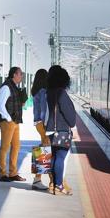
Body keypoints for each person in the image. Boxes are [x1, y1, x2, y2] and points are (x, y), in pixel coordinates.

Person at [45, 65, 75, 196]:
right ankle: (59, 185)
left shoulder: (49, 92)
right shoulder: (62, 93)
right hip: (61, 130)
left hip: (51, 130)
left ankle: (53, 184)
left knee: (54, 156)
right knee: (60, 157)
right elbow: (71, 119)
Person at [0, 67, 27, 182]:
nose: (21, 76)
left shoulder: (14, 87)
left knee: (16, 146)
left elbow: (17, 103)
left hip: (15, 121)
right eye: (20, 74)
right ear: (14, 74)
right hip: (7, 121)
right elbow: (0, 105)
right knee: (5, 147)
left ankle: (13, 173)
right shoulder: (6, 87)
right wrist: (9, 119)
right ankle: (3, 174)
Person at [30, 69, 50, 190]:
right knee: (44, 150)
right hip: (42, 123)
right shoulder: (43, 91)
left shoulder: (36, 91)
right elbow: (43, 110)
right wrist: (47, 125)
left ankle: (38, 179)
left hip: (38, 123)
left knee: (44, 149)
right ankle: (37, 180)